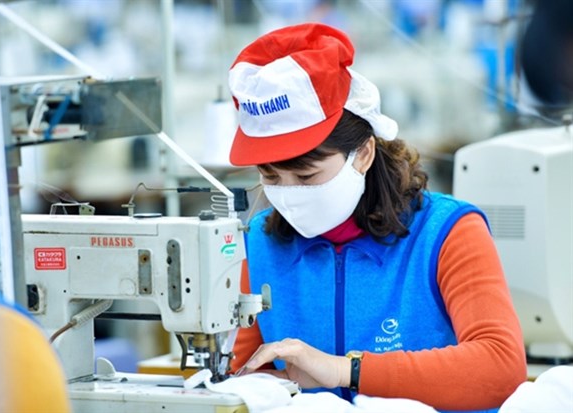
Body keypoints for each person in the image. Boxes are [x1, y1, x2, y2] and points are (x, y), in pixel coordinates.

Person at [226, 23, 527, 413]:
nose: (288, 194)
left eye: (306, 176)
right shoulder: (259, 248)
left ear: (364, 153)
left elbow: (500, 368)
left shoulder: (446, 233)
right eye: (270, 177)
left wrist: (346, 371)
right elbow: (237, 373)